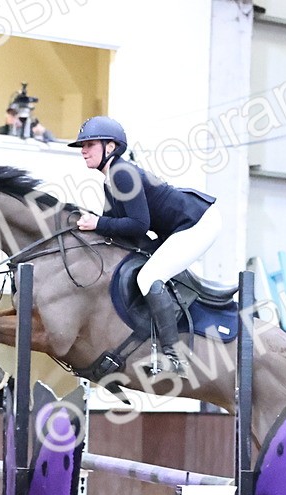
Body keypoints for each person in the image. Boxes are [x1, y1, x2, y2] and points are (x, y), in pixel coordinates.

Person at [68, 115, 225, 374]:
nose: (83, 151)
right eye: (82, 146)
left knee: (148, 276)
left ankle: (175, 358)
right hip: (177, 227)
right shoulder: (111, 180)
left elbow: (138, 225)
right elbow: (118, 228)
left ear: (110, 147)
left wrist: (97, 223)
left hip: (199, 222)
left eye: (90, 144)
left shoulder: (122, 174)